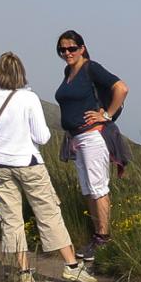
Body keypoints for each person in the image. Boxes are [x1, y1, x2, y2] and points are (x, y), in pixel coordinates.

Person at [0, 52, 95, 282]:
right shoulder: (29, 99)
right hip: (28, 162)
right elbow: (43, 136)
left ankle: (24, 271)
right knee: (48, 212)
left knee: (11, 218)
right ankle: (71, 267)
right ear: (21, 73)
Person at [53, 30, 129, 262]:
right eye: (62, 50)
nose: (67, 53)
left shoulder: (90, 68)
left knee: (97, 188)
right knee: (88, 189)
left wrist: (106, 114)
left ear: (82, 48)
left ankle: (103, 238)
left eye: (72, 48)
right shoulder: (69, 71)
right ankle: (96, 237)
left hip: (93, 137)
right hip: (78, 138)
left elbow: (121, 88)